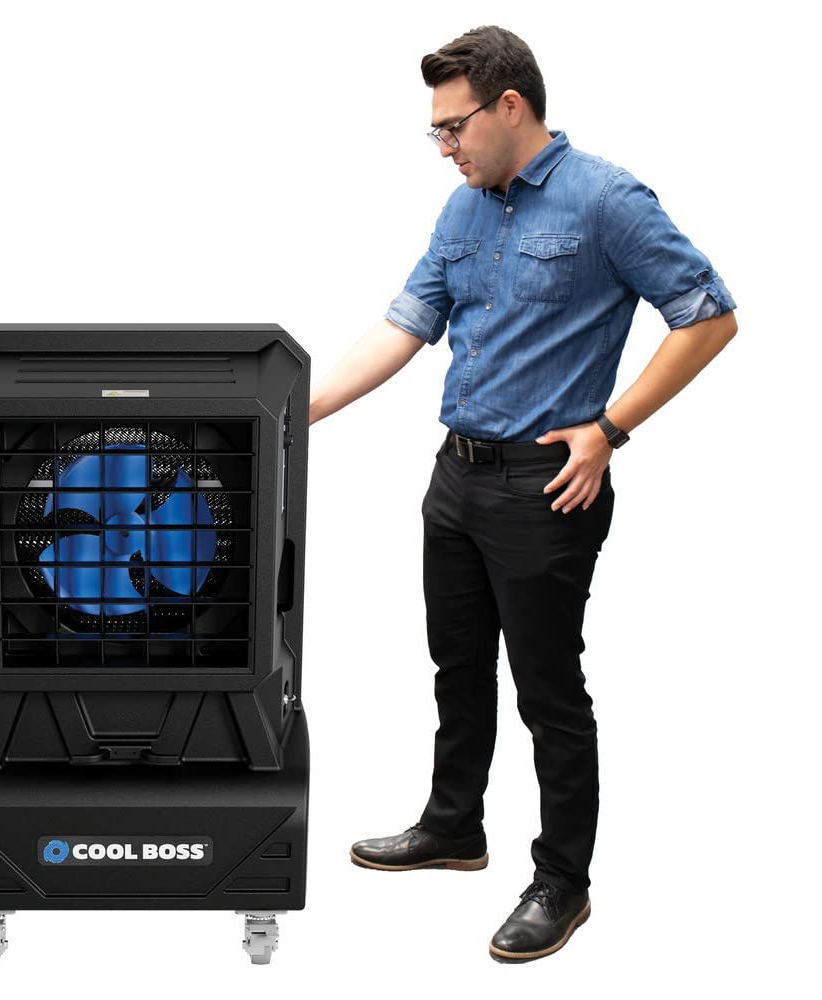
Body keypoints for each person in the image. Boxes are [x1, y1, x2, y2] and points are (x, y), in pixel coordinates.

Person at [308, 25, 737, 962]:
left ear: (511, 106)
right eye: (435, 132)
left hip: (547, 487)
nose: (444, 147)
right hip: (455, 477)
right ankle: (453, 825)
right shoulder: (461, 210)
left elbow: (708, 317)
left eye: (453, 127)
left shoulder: (607, 199)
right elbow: (404, 324)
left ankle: (561, 882)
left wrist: (609, 429)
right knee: (456, 668)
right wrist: (295, 412)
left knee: (549, 690)